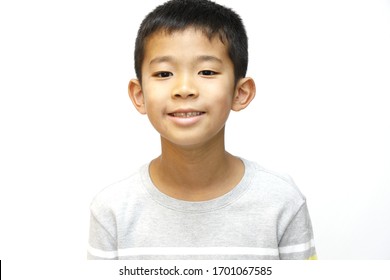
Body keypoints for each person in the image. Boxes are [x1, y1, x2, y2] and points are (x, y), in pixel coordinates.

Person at [88, 0, 316, 260]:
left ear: (240, 93)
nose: (184, 88)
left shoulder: (282, 201)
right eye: (164, 74)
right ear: (139, 95)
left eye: (206, 71)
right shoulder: (112, 209)